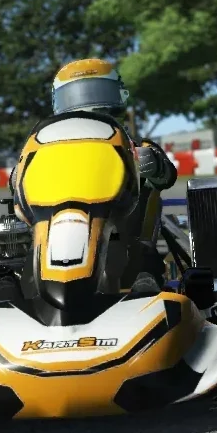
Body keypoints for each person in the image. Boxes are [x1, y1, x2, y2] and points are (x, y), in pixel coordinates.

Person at [49, 58, 177, 290]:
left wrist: (154, 165)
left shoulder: (138, 147)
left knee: (142, 265)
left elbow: (167, 177)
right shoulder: (50, 153)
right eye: (77, 95)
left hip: (128, 239)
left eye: (96, 92)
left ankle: (144, 285)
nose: (88, 103)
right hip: (61, 237)